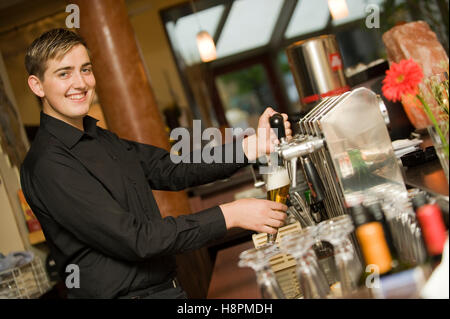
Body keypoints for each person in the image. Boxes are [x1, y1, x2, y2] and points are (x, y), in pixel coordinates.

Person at [20, 28, 292, 299]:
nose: (80, 83)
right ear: (37, 85)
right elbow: (135, 239)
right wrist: (231, 214)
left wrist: (251, 146)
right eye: (64, 73)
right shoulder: (48, 164)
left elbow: (172, 167)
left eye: (86, 69)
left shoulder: (99, 138)